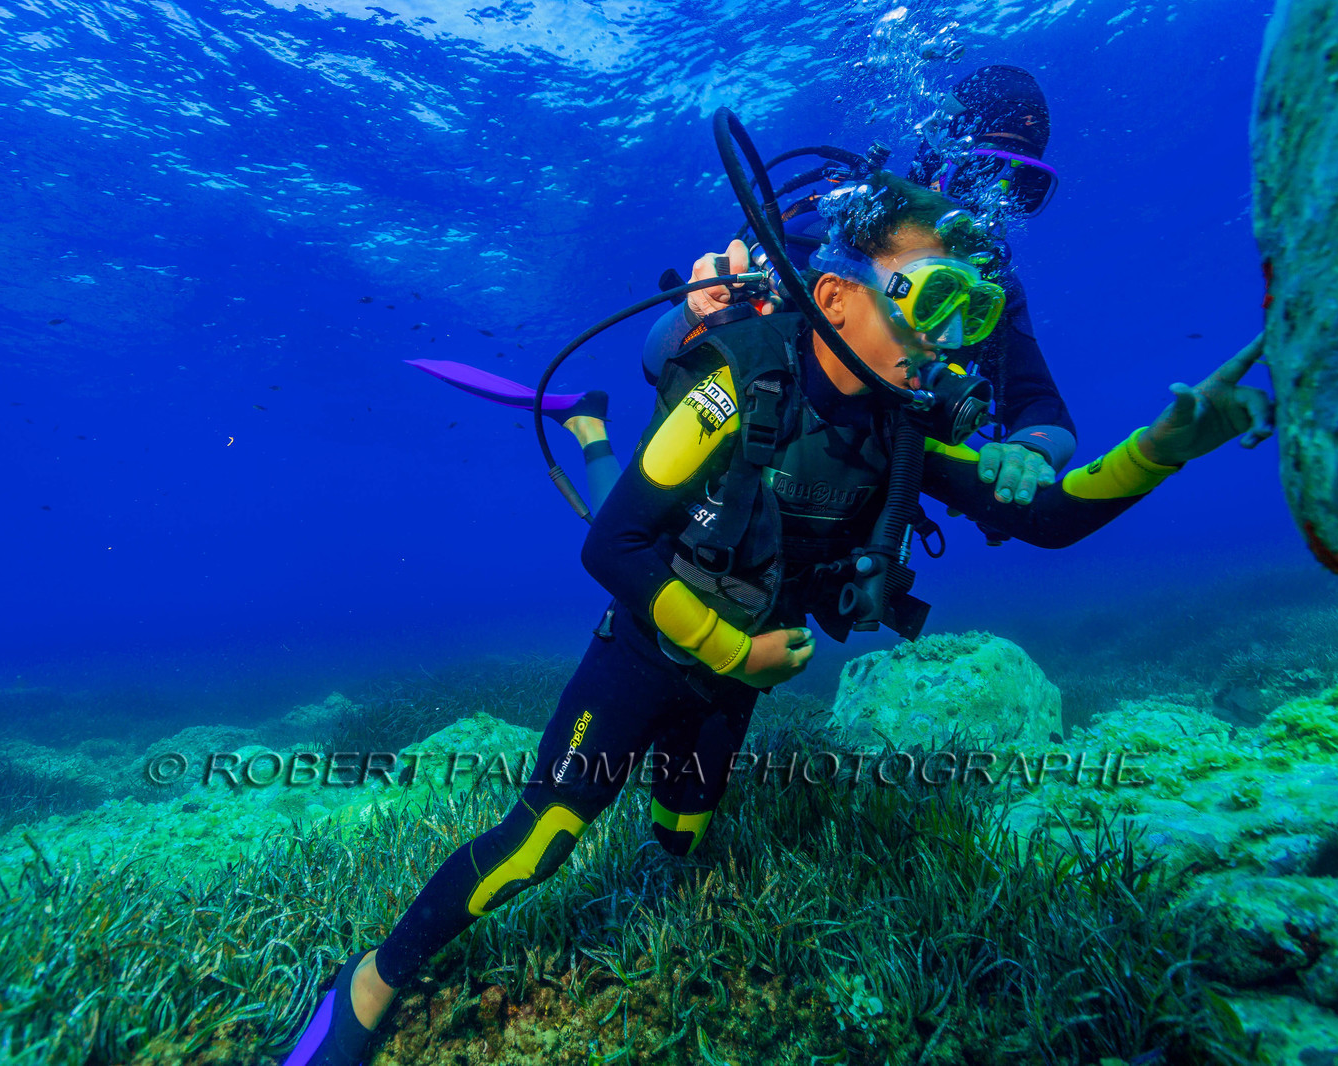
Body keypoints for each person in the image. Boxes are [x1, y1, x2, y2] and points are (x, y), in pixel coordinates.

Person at [279, 172, 1273, 1065]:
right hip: (647, 648)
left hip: (735, 681)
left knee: (682, 833)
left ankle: (662, 876)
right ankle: (370, 978)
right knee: (540, 840)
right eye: (933, 299)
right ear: (837, 295)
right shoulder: (735, 380)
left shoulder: (901, 429)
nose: (947, 338)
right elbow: (612, 548)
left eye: (971, 309)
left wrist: (1167, 445)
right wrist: (732, 647)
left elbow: (1046, 518)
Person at [411, 65, 1076, 533]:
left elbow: (1041, 405)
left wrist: (1032, 450)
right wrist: (698, 311)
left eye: (1025, 189)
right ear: (934, 159)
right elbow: (658, 357)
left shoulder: (991, 294)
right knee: (624, 531)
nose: (988, 208)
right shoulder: (834, 236)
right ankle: (590, 429)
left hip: (839, 502)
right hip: (738, 463)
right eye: (981, 170)